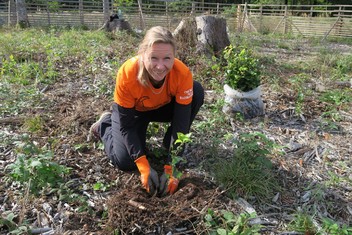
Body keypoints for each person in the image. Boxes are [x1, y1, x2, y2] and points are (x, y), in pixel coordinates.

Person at [90, 26, 204, 196]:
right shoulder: (128, 74)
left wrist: (171, 166)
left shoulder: (182, 74)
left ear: (174, 57)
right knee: (125, 161)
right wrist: (143, 166)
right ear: (143, 54)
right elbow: (127, 126)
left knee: (197, 91)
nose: (160, 66)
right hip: (134, 112)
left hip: (162, 108)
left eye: (167, 58)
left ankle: (168, 146)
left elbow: (181, 122)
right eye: (154, 58)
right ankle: (104, 124)